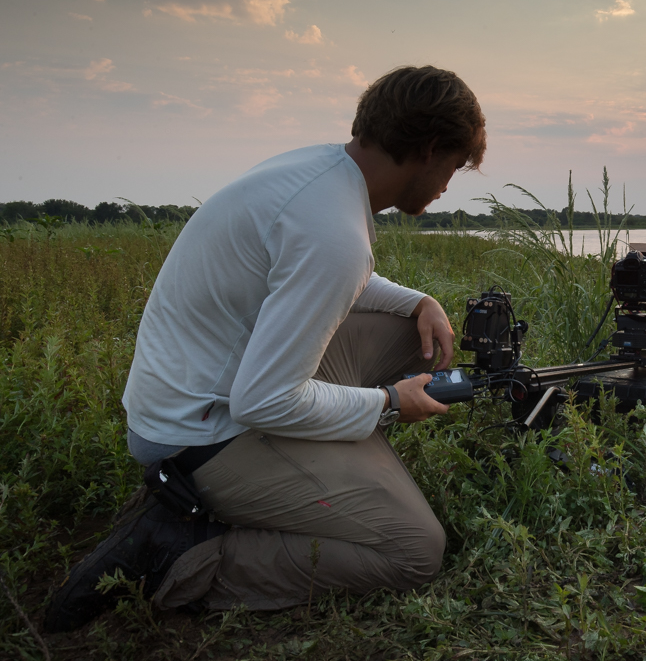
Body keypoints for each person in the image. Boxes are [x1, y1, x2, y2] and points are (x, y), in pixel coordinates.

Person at [44, 65, 486, 632]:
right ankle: (174, 555)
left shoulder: (317, 171)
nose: (450, 183)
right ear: (428, 150)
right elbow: (263, 401)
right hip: (201, 436)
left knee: (412, 336)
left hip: (195, 393)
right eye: (454, 166)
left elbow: (308, 273)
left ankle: (329, 453)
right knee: (415, 549)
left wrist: (418, 300)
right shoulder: (334, 233)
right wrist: (388, 403)